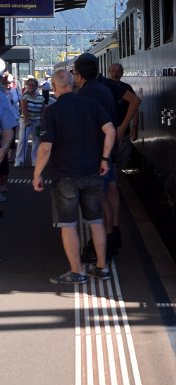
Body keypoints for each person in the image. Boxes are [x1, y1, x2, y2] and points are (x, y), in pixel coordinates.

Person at [32, 67, 116, 285]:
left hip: (65, 176)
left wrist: (37, 174)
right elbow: (110, 131)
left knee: (68, 224)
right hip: (92, 173)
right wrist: (105, 159)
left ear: (55, 86)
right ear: (73, 83)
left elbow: (45, 147)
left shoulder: (52, 111)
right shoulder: (91, 105)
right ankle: (102, 267)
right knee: (96, 221)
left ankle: (77, 272)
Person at [72, 53, 118, 264]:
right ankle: (110, 239)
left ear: (79, 75)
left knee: (96, 204)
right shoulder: (104, 90)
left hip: (94, 156)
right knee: (105, 198)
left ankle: (102, 247)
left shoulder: (84, 95)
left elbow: (84, 128)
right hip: (107, 154)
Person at [104, 62, 141, 252]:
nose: (116, 74)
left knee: (120, 162)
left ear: (122, 73)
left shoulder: (126, 89)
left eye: (119, 72)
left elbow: (135, 106)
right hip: (110, 134)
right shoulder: (106, 88)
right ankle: (113, 189)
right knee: (112, 165)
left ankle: (114, 186)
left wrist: (133, 126)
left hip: (123, 133)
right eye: (113, 71)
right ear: (108, 72)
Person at [15, 76, 43, 166]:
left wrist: (42, 120)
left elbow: (43, 109)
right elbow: (24, 109)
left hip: (37, 121)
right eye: (29, 85)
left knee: (36, 141)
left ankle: (34, 160)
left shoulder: (40, 97)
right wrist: (27, 120)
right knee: (23, 140)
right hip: (26, 121)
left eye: (33, 85)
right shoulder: (25, 96)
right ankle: (19, 160)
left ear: (36, 86)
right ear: (27, 86)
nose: (31, 86)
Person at [0, 75, 18, 201]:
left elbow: (8, 129)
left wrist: (4, 149)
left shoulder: (2, 97)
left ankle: (2, 186)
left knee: (3, 166)